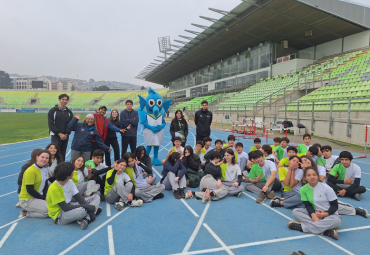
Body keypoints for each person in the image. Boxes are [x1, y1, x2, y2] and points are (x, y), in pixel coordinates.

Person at [271, 157, 368, 218]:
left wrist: (309, 171)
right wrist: (300, 171)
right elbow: (299, 186)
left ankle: (355, 210)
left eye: (306, 160)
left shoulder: (319, 169)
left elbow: (321, 180)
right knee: (303, 205)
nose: (304, 162)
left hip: (323, 194)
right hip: (310, 198)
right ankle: (283, 202)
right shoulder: (302, 173)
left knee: (333, 207)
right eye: (302, 161)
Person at [288, 167, 342, 240]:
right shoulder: (303, 189)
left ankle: (301, 227)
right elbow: (307, 205)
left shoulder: (326, 188)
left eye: (314, 175)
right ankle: (326, 231)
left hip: (329, 214)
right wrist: (313, 215)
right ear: (305, 178)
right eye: (309, 175)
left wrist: (326, 214)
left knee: (337, 221)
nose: (312, 177)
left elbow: (335, 205)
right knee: (295, 211)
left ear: (318, 176)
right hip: (315, 212)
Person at [46, 162, 102, 230]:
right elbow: (65, 207)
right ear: (67, 176)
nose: (73, 172)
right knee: (81, 210)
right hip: (60, 214)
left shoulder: (69, 181)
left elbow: (78, 197)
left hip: (70, 205)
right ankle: (90, 214)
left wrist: (88, 208)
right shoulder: (54, 188)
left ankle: (87, 219)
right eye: (72, 172)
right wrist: (87, 206)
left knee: (96, 197)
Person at [19, 150, 51, 218]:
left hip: (38, 197)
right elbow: (30, 190)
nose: (44, 159)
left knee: (55, 207)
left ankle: (36, 207)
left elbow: (45, 184)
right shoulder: (30, 171)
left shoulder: (45, 169)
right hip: (27, 199)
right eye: (42, 157)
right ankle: (26, 212)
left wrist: (45, 196)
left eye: (47, 158)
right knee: (49, 211)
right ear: (37, 157)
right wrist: (42, 198)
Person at [48, 93, 73, 161]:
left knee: (62, 153)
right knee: (54, 153)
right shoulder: (53, 111)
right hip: (56, 135)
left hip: (65, 136)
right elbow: (51, 124)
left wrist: (66, 134)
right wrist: (59, 134)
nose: (64, 101)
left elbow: (70, 125)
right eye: (63, 99)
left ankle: (61, 169)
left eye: (66, 100)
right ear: (59, 100)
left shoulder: (69, 112)